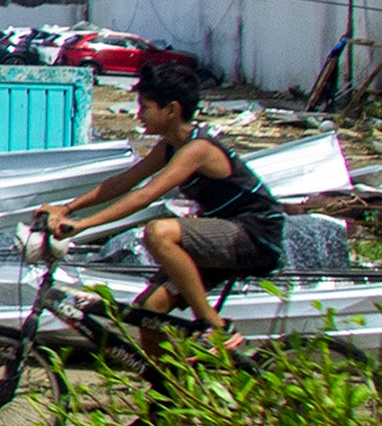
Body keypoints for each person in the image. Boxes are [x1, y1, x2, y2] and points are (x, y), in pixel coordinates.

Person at [45, 59, 281, 353]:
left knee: (158, 232)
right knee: (148, 312)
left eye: (145, 106)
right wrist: (67, 209)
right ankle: (167, 395)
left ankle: (214, 326)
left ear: (171, 110)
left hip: (254, 233)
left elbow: (145, 195)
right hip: (221, 236)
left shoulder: (198, 149)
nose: (139, 113)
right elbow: (124, 182)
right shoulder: (169, 147)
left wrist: (82, 226)